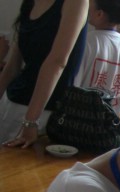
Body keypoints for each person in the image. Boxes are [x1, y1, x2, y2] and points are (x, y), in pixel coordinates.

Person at [0, 0, 88, 147]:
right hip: (11, 104)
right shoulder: (29, 3)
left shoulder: (75, 2)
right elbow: (12, 66)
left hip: (44, 113)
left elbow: (57, 62)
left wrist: (31, 121)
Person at [75, 0, 120, 115]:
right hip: (114, 121)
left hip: (83, 119)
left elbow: (74, 84)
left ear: (99, 14)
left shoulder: (86, 42)